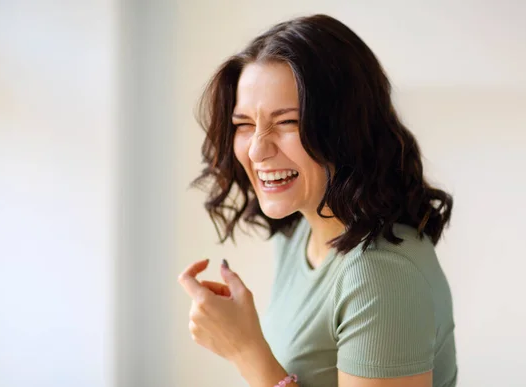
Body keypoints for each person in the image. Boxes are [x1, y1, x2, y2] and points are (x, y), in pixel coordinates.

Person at [177, 14, 457, 387]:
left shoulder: (381, 274)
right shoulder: (297, 236)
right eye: (244, 124)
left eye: (288, 122)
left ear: (345, 129)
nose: (258, 148)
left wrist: (245, 350)